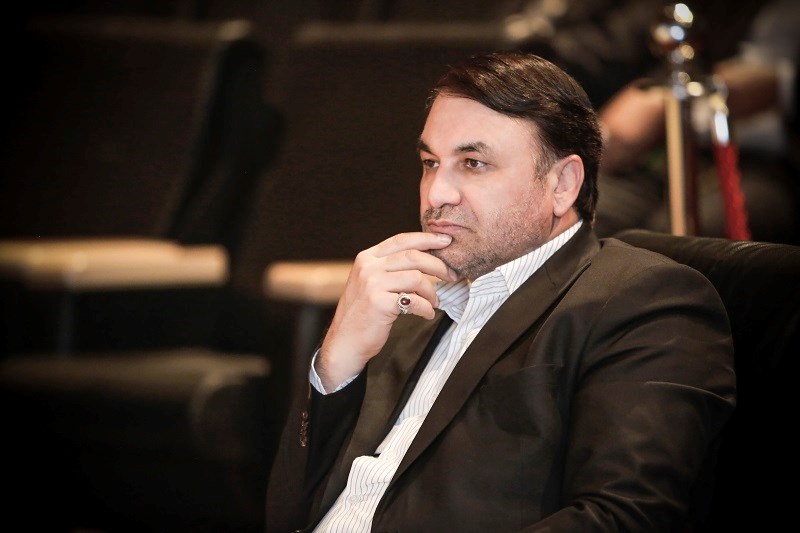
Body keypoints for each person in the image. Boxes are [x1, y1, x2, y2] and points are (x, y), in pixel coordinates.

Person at [266, 50, 736, 532]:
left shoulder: (645, 301)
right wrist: (335, 366)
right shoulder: (407, 303)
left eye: (473, 163)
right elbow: (284, 513)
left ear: (563, 184)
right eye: (430, 162)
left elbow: (623, 518)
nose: (436, 193)